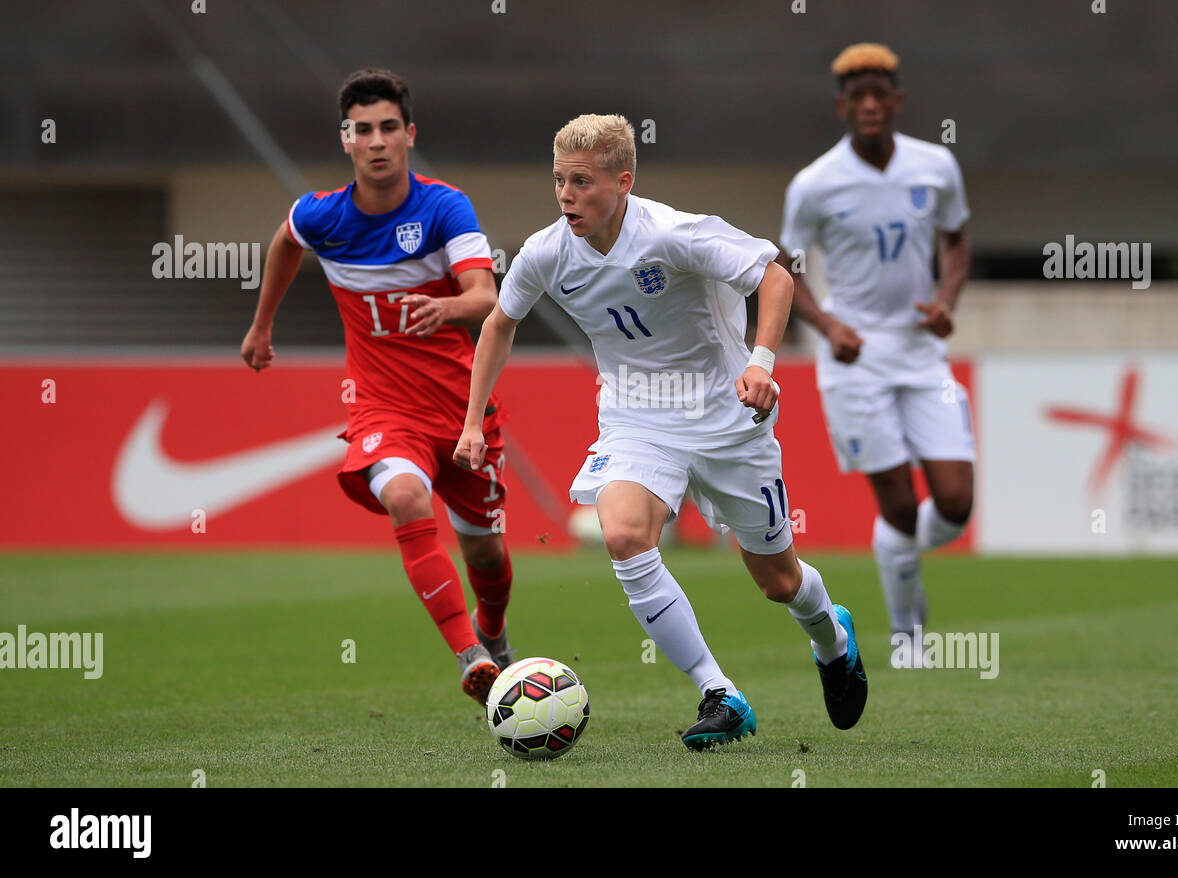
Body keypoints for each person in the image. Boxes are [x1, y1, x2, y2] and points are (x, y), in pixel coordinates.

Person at [455, 114, 868, 750]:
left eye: (582, 182)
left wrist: (760, 365)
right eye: (559, 180)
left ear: (623, 182)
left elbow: (776, 276)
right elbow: (500, 324)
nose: (566, 195)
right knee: (621, 533)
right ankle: (720, 694)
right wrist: (474, 418)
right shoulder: (545, 252)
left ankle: (831, 637)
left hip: (729, 418)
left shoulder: (676, 234)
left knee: (778, 582)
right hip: (636, 417)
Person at [240, 68, 514, 704]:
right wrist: (261, 327)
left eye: (389, 127)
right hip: (384, 411)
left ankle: (494, 631)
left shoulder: (445, 206)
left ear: (409, 134)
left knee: (488, 559)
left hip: (464, 414)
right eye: (363, 130)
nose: (377, 141)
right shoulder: (323, 215)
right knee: (405, 498)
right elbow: (286, 241)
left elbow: (486, 297)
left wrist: (448, 308)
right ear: (346, 140)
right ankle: (470, 657)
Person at [778, 44, 974, 666]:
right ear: (842, 105)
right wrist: (828, 325)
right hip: (855, 358)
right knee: (896, 505)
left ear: (896, 101)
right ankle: (908, 635)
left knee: (955, 503)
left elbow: (958, 239)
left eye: (878, 94)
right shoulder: (814, 184)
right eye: (856, 96)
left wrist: (946, 298)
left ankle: (897, 558)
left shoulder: (935, 166)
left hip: (920, 351)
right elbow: (787, 268)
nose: (868, 105)